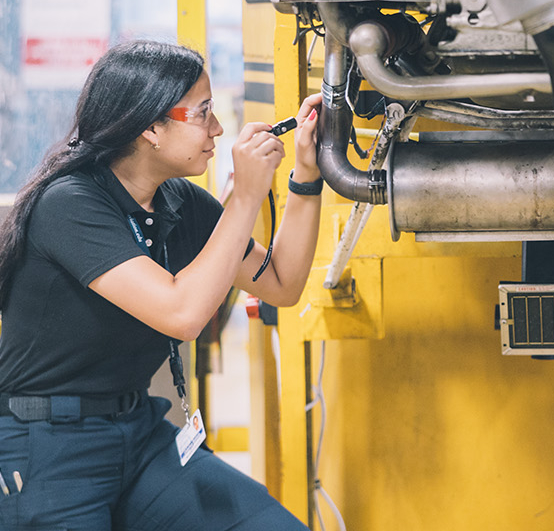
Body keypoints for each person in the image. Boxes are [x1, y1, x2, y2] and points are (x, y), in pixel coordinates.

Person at [0, 38, 324, 530]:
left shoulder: (180, 202)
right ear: (150, 126)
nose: (217, 129)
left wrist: (306, 174)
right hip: (47, 444)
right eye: (202, 112)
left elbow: (281, 283)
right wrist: (246, 197)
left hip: (138, 431)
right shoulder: (69, 204)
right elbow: (182, 314)